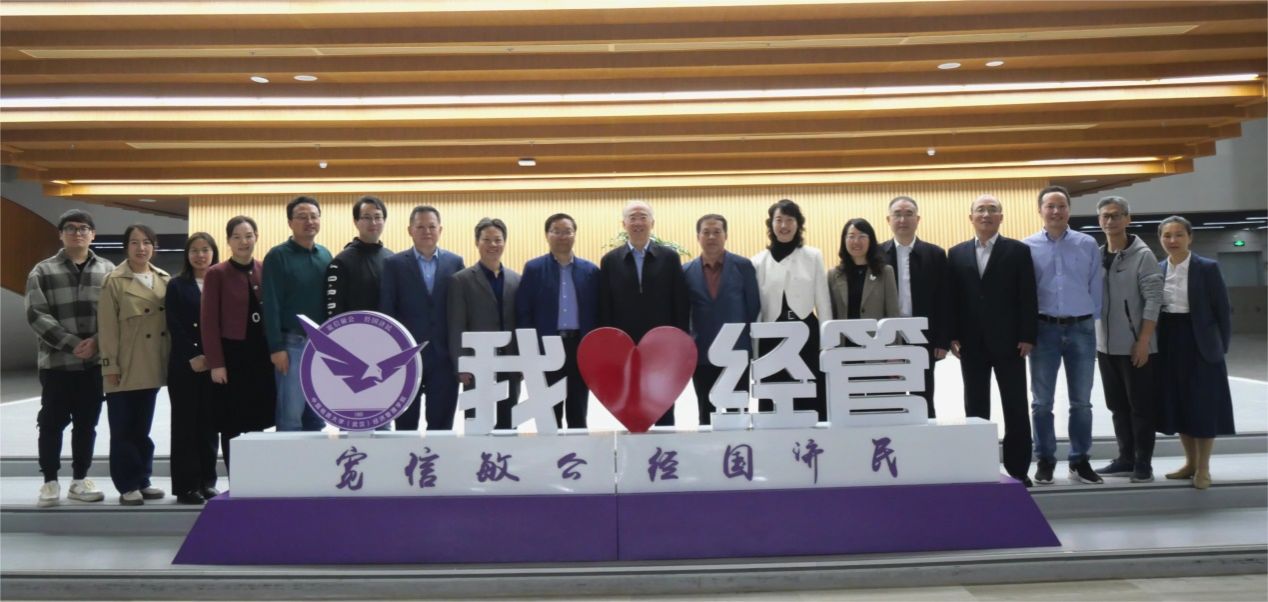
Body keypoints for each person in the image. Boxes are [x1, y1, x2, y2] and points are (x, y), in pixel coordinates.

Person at [26, 209, 114, 508]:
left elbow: (116, 314)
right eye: (71, 228)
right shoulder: (42, 271)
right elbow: (36, 314)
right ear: (61, 234)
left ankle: (79, 480)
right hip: (57, 364)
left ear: (93, 234)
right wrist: (73, 344)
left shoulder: (108, 270)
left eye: (83, 228)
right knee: (51, 423)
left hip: (93, 365)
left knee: (87, 424)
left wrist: (97, 343)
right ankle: (50, 481)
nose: (78, 233)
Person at [948, 195, 1038, 487]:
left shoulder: (1018, 251)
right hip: (971, 344)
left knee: (1016, 406)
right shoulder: (956, 253)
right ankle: (980, 467)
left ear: (1001, 216)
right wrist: (952, 335)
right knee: (975, 407)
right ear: (971, 217)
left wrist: (1027, 335)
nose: (986, 214)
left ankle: (1018, 469)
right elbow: (953, 299)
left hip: (1011, 343)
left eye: (992, 210)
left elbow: (1027, 295)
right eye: (980, 210)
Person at [1024, 185, 1104, 485]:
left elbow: (1096, 286)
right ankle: (1045, 459)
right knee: (1041, 402)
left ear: (1069, 210)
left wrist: (1090, 319)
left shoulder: (1087, 244)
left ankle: (1080, 460)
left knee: (1081, 402)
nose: (1056, 211)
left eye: (1061, 206)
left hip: (1081, 329)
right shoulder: (1027, 246)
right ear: (1040, 210)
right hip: (1043, 329)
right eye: (1050, 206)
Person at [1155, 216, 1235, 490]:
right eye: (1167, 235)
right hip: (1169, 340)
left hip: (1201, 342)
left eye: (1179, 234)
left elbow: (1223, 310)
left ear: (1190, 237)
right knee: (1179, 404)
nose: (1173, 240)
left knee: (1203, 405)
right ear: (1160, 239)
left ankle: (1204, 468)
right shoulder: (1157, 269)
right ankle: (1189, 463)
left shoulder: (1208, 268)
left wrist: (1220, 347)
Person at [598, 200, 690, 426]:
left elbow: (680, 302)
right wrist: (610, 344)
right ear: (624, 224)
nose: (638, 222)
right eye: (632, 218)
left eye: (643, 217)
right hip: (625, 346)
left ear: (652, 223)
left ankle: (665, 445)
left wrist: (679, 340)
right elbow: (605, 306)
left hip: (662, 345)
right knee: (631, 401)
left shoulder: (669, 258)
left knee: (663, 399)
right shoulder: (610, 261)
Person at [97, 223, 171, 505]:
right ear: (126, 247)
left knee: (142, 427)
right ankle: (127, 484)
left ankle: (143, 479)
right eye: (135, 243)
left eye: (147, 242)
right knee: (123, 429)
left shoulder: (163, 279)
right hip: (125, 365)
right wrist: (110, 366)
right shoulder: (114, 281)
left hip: (152, 363)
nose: (141, 248)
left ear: (154, 246)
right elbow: (107, 328)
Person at [1094, 196, 1164, 483]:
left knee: (1141, 407)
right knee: (1117, 406)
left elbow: (1154, 299)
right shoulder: (1098, 255)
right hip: (1105, 347)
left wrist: (1144, 341)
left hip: (1136, 345)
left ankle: (1143, 463)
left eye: (1116, 215)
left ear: (1127, 219)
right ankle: (1125, 458)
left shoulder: (1143, 255)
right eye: (1105, 216)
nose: (1110, 221)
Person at [380, 205, 465, 431]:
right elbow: (387, 310)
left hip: (443, 356)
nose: (426, 231)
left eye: (431, 226)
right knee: (405, 426)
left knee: (442, 426)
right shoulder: (394, 264)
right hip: (405, 357)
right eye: (420, 227)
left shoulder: (455, 262)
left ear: (440, 230)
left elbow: (460, 310)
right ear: (410, 230)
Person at [203, 216, 276, 470]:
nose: (243, 241)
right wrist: (216, 363)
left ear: (256, 237)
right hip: (232, 355)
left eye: (248, 236)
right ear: (228, 241)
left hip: (260, 355)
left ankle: (256, 475)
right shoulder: (216, 273)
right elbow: (209, 321)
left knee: (259, 419)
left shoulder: (264, 269)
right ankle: (236, 477)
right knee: (232, 422)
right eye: (237, 237)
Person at [516, 213, 600, 429]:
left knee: (578, 411)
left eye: (567, 231)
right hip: (546, 347)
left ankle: (578, 449)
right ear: (547, 235)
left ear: (575, 235)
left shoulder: (590, 271)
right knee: (549, 415)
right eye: (556, 231)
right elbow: (524, 312)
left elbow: (598, 312)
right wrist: (528, 350)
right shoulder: (534, 269)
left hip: (579, 346)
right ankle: (551, 451)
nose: (562, 236)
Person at [752, 199, 833, 421]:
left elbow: (823, 301)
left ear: (798, 224)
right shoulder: (758, 261)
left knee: (810, 393)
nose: (784, 225)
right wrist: (755, 349)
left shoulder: (813, 256)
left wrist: (827, 344)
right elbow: (757, 308)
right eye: (778, 220)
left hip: (806, 335)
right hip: (771, 337)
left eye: (789, 220)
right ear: (771, 224)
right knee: (773, 395)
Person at [261, 196, 331, 432]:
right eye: (302, 217)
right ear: (290, 223)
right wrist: (276, 348)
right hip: (292, 345)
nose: (309, 221)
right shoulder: (277, 256)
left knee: (318, 415)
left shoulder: (325, 255)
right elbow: (271, 304)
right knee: (290, 417)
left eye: (313, 216)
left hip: (321, 346)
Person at [683, 214, 760, 426]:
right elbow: (684, 312)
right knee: (706, 413)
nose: (711, 237)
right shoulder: (686, 271)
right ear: (698, 237)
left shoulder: (743, 266)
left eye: (717, 232)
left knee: (738, 412)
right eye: (706, 232)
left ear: (726, 236)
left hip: (736, 352)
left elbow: (753, 306)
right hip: (702, 353)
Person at [880, 196, 950, 418]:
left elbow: (943, 300)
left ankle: (926, 438)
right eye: (897, 214)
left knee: (923, 395)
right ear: (888, 220)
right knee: (891, 395)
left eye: (908, 214)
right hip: (888, 336)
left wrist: (942, 340)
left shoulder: (935, 254)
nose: (903, 219)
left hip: (923, 335)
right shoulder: (877, 254)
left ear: (918, 219)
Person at [448, 218, 521, 429]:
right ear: (476, 242)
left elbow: (520, 322)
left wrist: (522, 362)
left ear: (505, 242)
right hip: (476, 362)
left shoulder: (516, 280)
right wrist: (461, 364)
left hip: (510, 361)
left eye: (498, 240)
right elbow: (456, 325)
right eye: (486, 240)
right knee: (477, 425)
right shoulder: (461, 280)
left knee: (509, 423)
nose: (492, 245)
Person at [165, 233, 221, 505]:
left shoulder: (221, 281)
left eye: (205, 250)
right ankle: (186, 486)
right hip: (185, 365)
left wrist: (216, 357)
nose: (200, 255)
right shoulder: (177, 285)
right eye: (194, 250)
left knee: (209, 425)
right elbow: (174, 324)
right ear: (187, 255)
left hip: (216, 365)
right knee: (185, 425)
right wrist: (193, 355)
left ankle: (207, 481)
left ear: (214, 252)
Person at [325, 195, 392, 318]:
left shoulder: (391, 258)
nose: (373, 222)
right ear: (356, 222)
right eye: (367, 217)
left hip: (386, 327)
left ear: (384, 221)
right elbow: (334, 312)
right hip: (354, 327)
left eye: (377, 217)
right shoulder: (341, 262)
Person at [828, 218, 899, 323]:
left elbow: (893, 314)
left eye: (862, 236)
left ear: (871, 240)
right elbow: (830, 314)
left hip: (876, 333)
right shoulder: (833, 275)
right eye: (851, 236)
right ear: (844, 240)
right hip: (843, 333)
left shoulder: (885, 272)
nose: (856, 241)